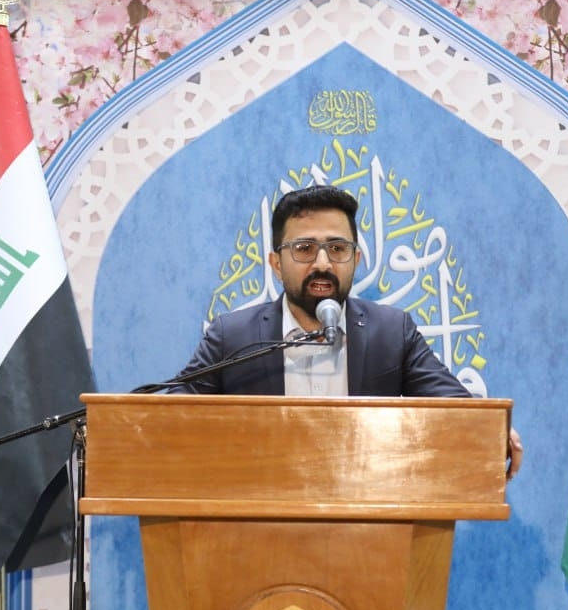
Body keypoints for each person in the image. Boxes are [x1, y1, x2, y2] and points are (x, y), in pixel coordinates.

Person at [170, 184, 523, 479]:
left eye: (337, 249)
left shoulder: (391, 332)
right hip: (257, 523)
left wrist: (489, 431)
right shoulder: (233, 337)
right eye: (305, 249)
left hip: (365, 522)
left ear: (356, 259)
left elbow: (455, 406)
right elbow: (171, 419)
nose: (322, 263)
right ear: (276, 264)